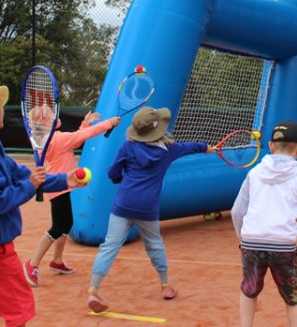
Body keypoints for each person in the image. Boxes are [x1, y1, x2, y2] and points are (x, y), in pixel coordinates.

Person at [0, 81, 87, 327]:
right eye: (0, 106)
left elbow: (23, 176)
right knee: (18, 309)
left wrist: (64, 180)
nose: (4, 110)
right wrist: (29, 187)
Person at [85, 106, 212, 313]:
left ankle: (93, 288)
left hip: (123, 205)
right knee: (154, 244)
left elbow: (113, 172)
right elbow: (191, 147)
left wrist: (120, 179)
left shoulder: (128, 147)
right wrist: (206, 147)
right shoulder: (168, 150)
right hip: (147, 209)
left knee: (109, 246)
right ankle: (165, 285)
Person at [231, 120, 297, 327]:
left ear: (271, 146)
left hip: (251, 242)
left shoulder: (253, 173)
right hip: (283, 246)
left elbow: (237, 211)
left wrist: (244, 238)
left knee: (249, 289)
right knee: (293, 297)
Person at [23, 109, 121, 287]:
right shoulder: (59, 138)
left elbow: (76, 138)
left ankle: (57, 261)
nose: (55, 114)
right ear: (46, 123)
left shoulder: (47, 139)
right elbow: (84, 135)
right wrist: (109, 123)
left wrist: (85, 123)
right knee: (58, 227)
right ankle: (32, 264)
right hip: (59, 187)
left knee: (66, 224)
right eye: (52, 114)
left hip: (59, 186)